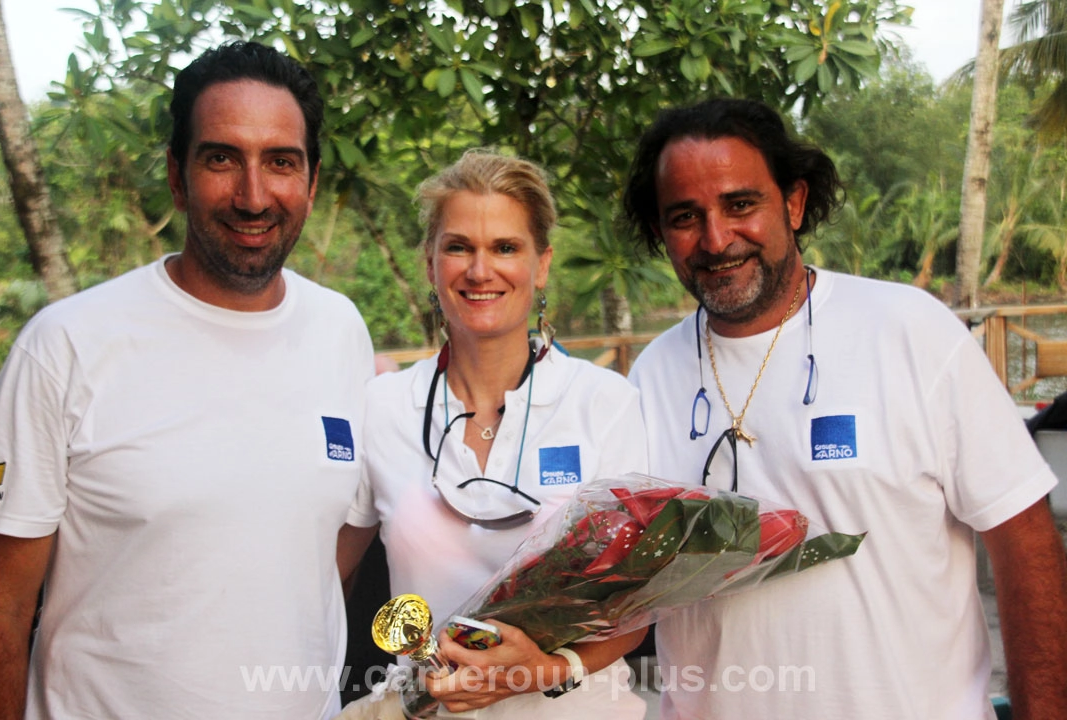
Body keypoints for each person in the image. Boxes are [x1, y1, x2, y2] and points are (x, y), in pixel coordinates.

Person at [623, 98, 1067, 720]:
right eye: (685, 216)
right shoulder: (649, 377)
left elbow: (1023, 539)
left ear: (795, 203)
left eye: (741, 204)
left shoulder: (910, 331)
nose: (717, 238)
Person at [0, 41, 374, 720]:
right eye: (222, 158)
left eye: (281, 162)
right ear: (176, 175)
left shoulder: (340, 329)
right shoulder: (67, 344)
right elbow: (0, 604)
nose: (254, 197)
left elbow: (326, 546)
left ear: (311, 182)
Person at [339, 150, 649, 718]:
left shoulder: (605, 404)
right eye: (459, 247)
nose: (481, 271)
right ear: (429, 262)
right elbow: (329, 573)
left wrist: (548, 669)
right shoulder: (381, 407)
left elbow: (637, 606)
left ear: (542, 263)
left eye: (505, 248)